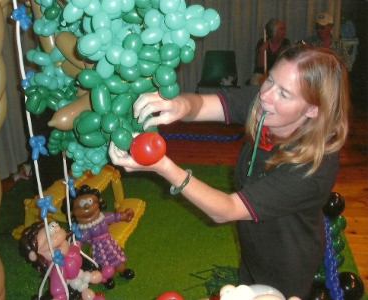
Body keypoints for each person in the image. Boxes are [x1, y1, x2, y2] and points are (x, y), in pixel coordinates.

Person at [109, 44, 350, 299]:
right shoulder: (266, 105)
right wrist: (179, 105)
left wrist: (163, 166)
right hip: (254, 246)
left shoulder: (313, 168)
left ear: (314, 109)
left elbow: (226, 210)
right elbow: (204, 104)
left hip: (287, 265)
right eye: (270, 80)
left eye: (284, 94)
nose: (266, 95)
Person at [250, 18, 291, 85]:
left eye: (284, 29)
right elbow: (260, 65)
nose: (284, 31)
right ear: (274, 31)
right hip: (262, 73)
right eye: (281, 29)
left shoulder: (286, 43)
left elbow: (284, 64)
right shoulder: (262, 42)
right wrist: (262, 51)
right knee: (255, 82)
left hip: (278, 74)